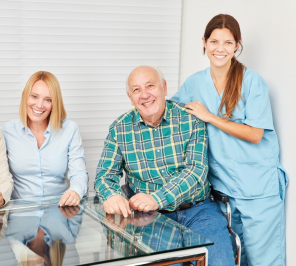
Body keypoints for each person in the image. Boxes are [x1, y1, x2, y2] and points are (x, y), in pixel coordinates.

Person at [171, 14, 287, 266]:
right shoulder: (194, 83)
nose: (219, 49)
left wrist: (210, 117)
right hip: (223, 191)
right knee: (237, 259)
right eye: (214, 42)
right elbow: (169, 112)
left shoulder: (252, 82)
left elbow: (255, 134)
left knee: (264, 260)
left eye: (227, 42)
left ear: (237, 45)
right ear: (204, 42)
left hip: (258, 189)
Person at [95, 65, 235, 266]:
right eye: (136, 90)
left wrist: (157, 198)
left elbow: (196, 170)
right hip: (152, 218)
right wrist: (111, 195)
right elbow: (103, 176)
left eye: (150, 86)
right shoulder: (119, 129)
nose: (144, 95)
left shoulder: (191, 119)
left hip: (199, 210)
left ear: (164, 87)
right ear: (130, 97)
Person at [2, 71, 88, 206]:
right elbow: (1, 179)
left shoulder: (70, 129)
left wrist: (76, 191)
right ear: (26, 97)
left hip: (59, 210)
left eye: (48, 99)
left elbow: (79, 173)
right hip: (21, 213)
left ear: (55, 104)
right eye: (34, 96)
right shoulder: (8, 131)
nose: (39, 105)